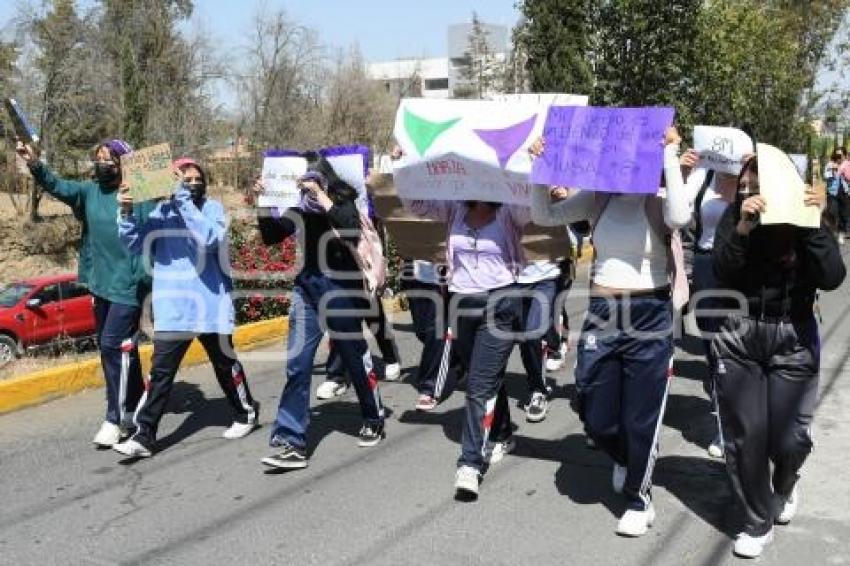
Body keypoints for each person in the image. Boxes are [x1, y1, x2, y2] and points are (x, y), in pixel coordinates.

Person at [529, 129, 694, 536]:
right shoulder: (596, 197)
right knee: (593, 408)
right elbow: (544, 216)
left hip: (649, 311)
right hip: (604, 311)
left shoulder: (657, 201)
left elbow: (680, 217)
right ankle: (626, 456)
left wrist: (670, 153)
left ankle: (641, 498)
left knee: (641, 414)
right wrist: (539, 169)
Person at [711, 154, 844, 558]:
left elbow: (832, 276)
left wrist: (814, 221)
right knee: (745, 435)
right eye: (746, 174)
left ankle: (785, 481)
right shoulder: (737, 215)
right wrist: (743, 228)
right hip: (739, 335)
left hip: (794, 336)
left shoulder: (808, 213)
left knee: (790, 438)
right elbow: (723, 270)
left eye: (758, 174)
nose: (750, 181)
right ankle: (756, 520)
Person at [111, 158, 260, 458]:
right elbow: (135, 245)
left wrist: (180, 197)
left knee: (225, 366)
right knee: (160, 375)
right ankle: (145, 435)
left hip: (210, 306)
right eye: (184, 179)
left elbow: (207, 239)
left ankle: (245, 412)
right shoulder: (160, 212)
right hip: (174, 310)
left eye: (195, 179)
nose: (191, 184)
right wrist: (125, 212)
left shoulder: (214, 210)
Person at [17, 139, 154, 447]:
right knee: (123, 350)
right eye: (98, 159)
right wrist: (35, 163)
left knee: (110, 346)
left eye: (108, 159)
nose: (101, 164)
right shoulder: (89, 192)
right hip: (100, 285)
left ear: (123, 164)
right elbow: (57, 186)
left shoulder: (142, 196)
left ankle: (115, 419)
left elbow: (156, 232)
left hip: (129, 286)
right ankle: (133, 403)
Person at [255, 153, 386, 470]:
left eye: (313, 179)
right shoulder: (298, 208)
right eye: (304, 180)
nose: (307, 185)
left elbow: (350, 228)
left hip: (341, 288)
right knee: (297, 365)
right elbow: (273, 235)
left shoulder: (341, 202)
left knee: (354, 356)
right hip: (307, 288)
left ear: (325, 179)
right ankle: (291, 441)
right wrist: (261, 201)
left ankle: (373, 415)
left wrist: (322, 196)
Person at [406, 196, 529, 499]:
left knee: (477, 385)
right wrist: (404, 164)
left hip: (500, 301)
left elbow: (536, 211)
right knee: (483, 373)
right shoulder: (454, 207)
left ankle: (470, 463)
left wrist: (545, 184)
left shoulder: (509, 210)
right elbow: (416, 205)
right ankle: (501, 432)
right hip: (460, 302)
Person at [825, 150, 845, 243]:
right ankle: (832, 233)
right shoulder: (829, 165)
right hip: (832, 192)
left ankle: (840, 234)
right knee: (832, 212)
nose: (840, 158)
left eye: (841, 156)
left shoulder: (843, 165)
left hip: (842, 192)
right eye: (838, 156)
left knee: (841, 213)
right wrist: (833, 170)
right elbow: (826, 176)